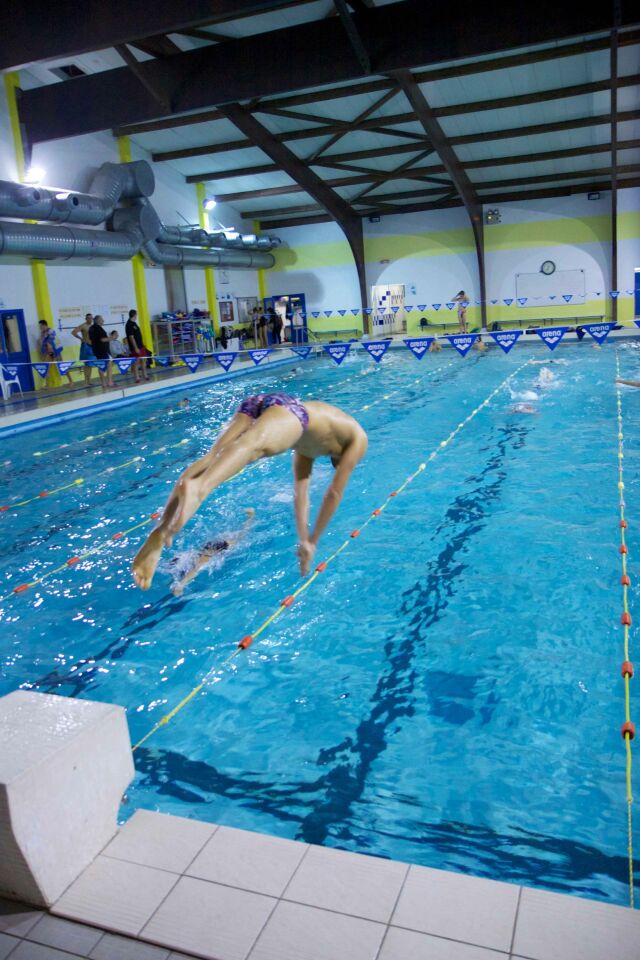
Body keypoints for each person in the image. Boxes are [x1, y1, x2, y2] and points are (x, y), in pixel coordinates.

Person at [132, 394, 368, 590]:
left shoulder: (307, 449)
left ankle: (161, 529)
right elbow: (334, 493)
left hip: (264, 403)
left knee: (212, 457)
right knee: (250, 449)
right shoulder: (358, 439)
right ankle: (200, 487)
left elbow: (301, 493)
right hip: (292, 412)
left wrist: (304, 538)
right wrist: (312, 541)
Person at [171, 509, 255, 595]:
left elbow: (244, 532)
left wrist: (250, 517)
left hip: (188, 558)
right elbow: (194, 571)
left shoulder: (228, 544)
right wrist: (180, 586)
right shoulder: (209, 556)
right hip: (191, 561)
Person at [38, 321, 73, 388]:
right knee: (46, 367)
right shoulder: (43, 333)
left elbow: (50, 343)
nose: (40, 328)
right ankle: (47, 384)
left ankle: (71, 381)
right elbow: (42, 343)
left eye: (41, 326)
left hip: (55, 351)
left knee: (62, 366)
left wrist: (52, 354)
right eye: (40, 327)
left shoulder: (51, 331)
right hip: (48, 352)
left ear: (45, 325)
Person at [88, 314, 114, 388]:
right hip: (103, 350)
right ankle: (110, 382)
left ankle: (103, 383)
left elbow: (91, 340)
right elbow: (102, 339)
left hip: (96, 350)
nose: (103, 321)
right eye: (102, 319)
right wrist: (112, 338)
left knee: (101, 365)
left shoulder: (91, 328)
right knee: (109, 363)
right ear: (97, 321)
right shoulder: (98, 328)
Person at [125, 309, 150, 384]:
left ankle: (144, 375)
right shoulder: (129, 324)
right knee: (136, 362)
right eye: (136, 315)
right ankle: (137, 377)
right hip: (135, 347)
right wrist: (135, 348)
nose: (137, 316)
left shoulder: (134, 323)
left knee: (143, 360)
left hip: (140, 346)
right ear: (134, 315)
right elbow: (131, 337)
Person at [72, 313, 96, 386]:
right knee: (86, 364)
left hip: (92, 346)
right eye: (88, 318)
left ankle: (89, 381)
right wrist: (81, 338)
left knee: (90, 364)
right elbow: (73, 332)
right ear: (86, 319)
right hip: (86, 346)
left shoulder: (93, 326)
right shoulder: (83, 326)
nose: (90, 319)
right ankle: (86, 382)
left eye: (91, 318)